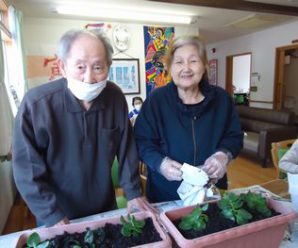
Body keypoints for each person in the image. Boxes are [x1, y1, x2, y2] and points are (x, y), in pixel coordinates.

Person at [12, 29, 153, 227]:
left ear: (108, 66)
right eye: (80, 67)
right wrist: (51, 214)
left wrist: (133, 193)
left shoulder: (114, 97)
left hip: (105, 208)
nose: (89, 78)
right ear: (62, 66)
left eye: (98, 67)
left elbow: (126, 147)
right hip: (56, 214)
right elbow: (26, 169)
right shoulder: (36, 105)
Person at [134, 35, 243, 203]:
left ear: (205, 65)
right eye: (178, 62)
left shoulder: (221, 99)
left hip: (210, 190)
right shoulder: (156, 101)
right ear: (170, 68)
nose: (186, 68)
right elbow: (142, 142)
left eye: (193, 61)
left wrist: (223, 155)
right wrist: (160, 163)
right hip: (165, 192)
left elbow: (234, 136)